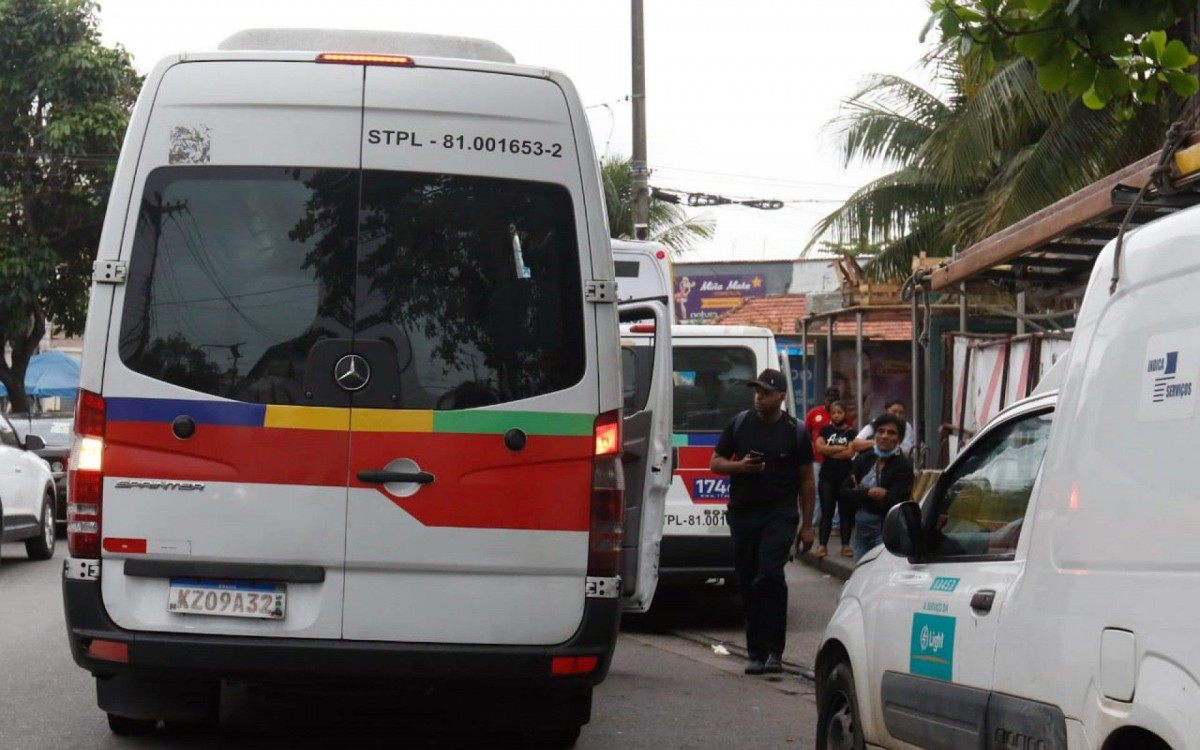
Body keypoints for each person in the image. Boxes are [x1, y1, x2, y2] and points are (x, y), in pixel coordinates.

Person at [710, 368, 816, 676]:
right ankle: (755, 652)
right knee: (747, 579)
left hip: (779, 514)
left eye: (766, 393)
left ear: (781, 396)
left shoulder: (795, 431)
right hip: (744, 514)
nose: (759, 397)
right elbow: (715, 462)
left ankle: (774, 651)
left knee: (769, 575)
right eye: (757, 392)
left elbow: (807, 480)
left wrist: (807, 526)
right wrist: (739, 467)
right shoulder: (740, 424)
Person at [840, 413, 914, 560]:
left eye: (891, 433)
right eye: (881, 431)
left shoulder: (903, 466)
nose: (885, 436)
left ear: (898, 439)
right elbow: (843, 492)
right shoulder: (865, 459)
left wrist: (860, 493)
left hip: (885, 533)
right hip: (861, 533)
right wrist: (869, 493)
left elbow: (894, 501)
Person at [813, 401, 858, 559]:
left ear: (845, 414)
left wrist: (829, 451)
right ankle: (822, 545)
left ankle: (845, 545)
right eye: (833, 413)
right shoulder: (825, 430)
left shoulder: (852, 432)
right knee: (827, 512)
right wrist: (840, 448)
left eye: (839, 412)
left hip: (845, 476)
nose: (836, 415)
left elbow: (849, 454)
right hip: (827, 476)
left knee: (845, 513)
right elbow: (819, 448)